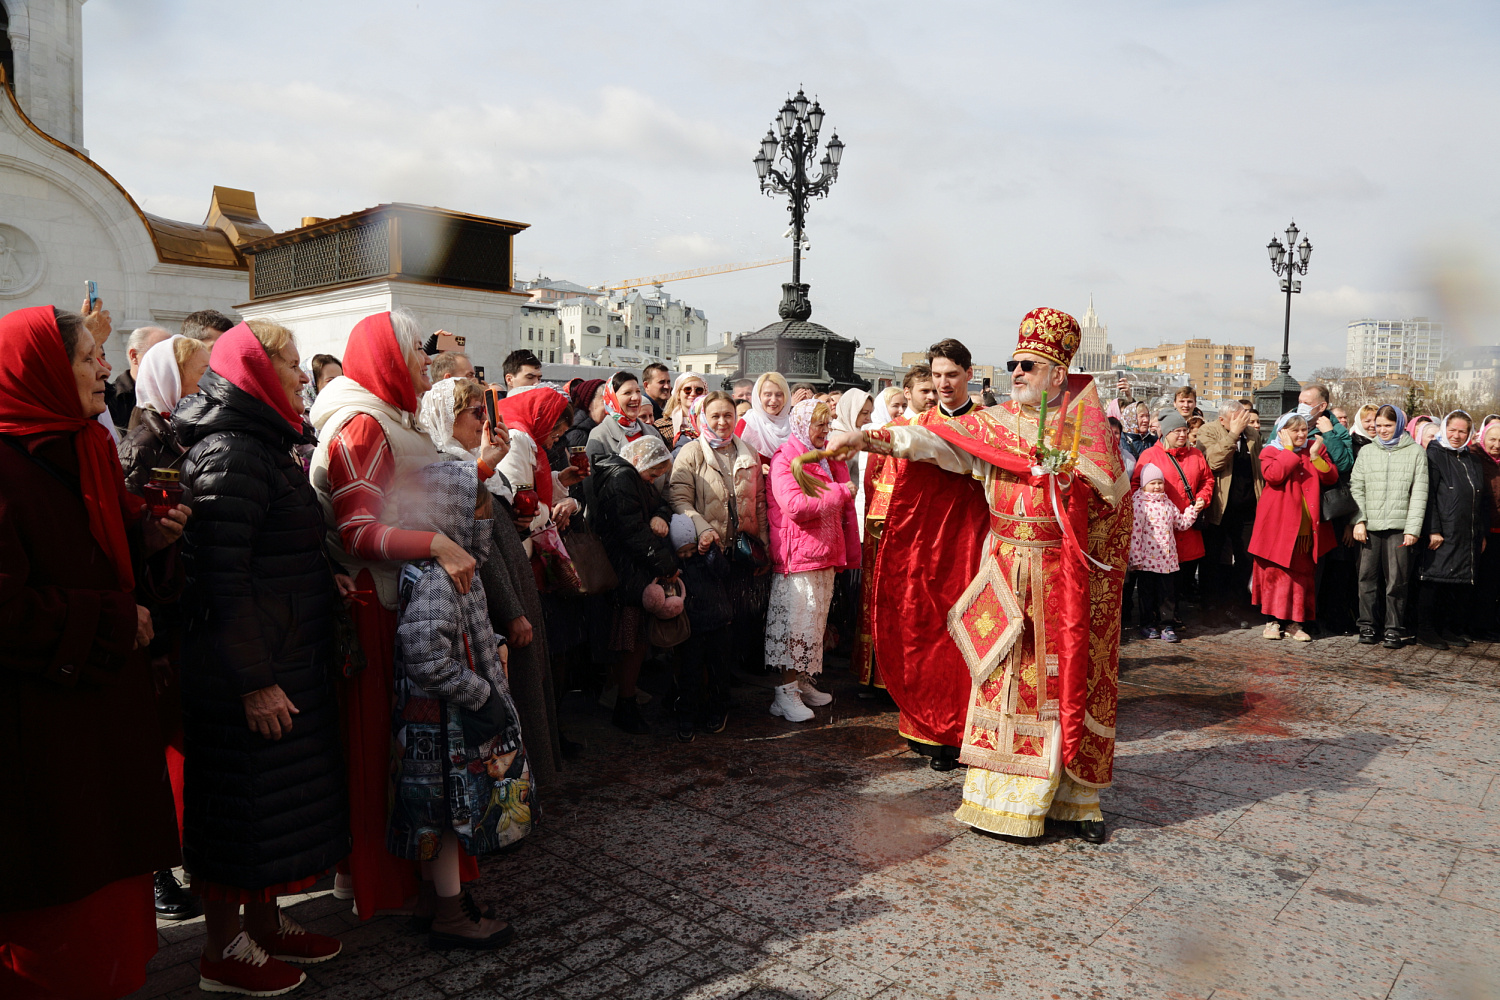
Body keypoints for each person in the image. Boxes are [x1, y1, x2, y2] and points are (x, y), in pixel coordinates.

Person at [844, 307, 1129, 842]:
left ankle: (1072, 802)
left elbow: (1112, 495)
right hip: (1000, 570)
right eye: (1013, 363)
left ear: (1057, 374)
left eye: (1028, 365)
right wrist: (878, 439)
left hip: (1059, 580)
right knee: (1000, 679)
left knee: (1058, 684)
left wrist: (1069, 478)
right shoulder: (994, 424)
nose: (1016, 372)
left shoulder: (1085, 432)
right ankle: (998, 800)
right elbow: (939, 443)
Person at [0, 305, 189, 1000]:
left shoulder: (87, 445)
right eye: (88, 358)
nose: (105, 370)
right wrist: (113, 620)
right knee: (60, 906)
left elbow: (99, 551)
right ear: (42, 371)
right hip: (41, 727)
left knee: (112, 892)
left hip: (103, 706)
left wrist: (149, 537)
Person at [175, 320, 348, 994]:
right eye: (291, 363)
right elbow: (219, 581)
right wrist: (253, 681)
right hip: (248, 670)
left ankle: (264, 924)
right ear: (255, 368)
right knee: (237, 808)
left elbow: (276, 550)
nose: (303, 376)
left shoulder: (261, 444)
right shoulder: (231, 452)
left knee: (270, 808)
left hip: (284, 655)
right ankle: (222, 950)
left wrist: (322, 578)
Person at [309, 310, 499, 921]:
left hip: (403, 599)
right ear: (388, 357)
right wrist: (437, 544)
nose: (424, 360)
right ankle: (394, 886)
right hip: (382, 603)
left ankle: (401, 882)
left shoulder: (389, 417)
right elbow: (359, 530)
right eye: (415, 348)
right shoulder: (363, 423)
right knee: (392, 752)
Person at [391, 462, 529, 950]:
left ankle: (437, 900)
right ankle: (450, 913)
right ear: (450, 515)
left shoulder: (455, 570)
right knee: (449, 818)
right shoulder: (438, 578)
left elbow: (456, 633)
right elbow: (427, 656)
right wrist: (481, 693)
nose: (482, 525)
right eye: (476, 515)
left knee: (441, 817)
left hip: (442, 718)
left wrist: (492, 643)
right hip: (443, 723)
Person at [417, 377, 563, 803]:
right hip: (489, 604)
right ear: (447, 418)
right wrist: (512, 611)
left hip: (508, 590)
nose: (485, 421)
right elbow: (480, 553)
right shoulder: (449, 466)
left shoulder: (471, 464)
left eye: (486, 411)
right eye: (475, 413)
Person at [115, 333, 210, 919]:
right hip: (159, 621)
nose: (208, 383)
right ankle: (156, 871)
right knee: (158, 748)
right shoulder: (145, 444)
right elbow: (128, 547)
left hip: (182, 610)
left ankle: (178, 858)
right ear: (171, 379)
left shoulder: (181, 433)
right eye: (199, 373)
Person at [668, 391, 769, 739]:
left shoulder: (747, 452)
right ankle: (687, 709)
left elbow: (758, 503)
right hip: (702, 557)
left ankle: (718, 704)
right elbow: (679, 498)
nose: (722, 422)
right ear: (702, 418)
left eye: (728, 415)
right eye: (715, 416)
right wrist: (702, 529)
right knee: (697, 639)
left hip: (736, 558)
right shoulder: (692, 452)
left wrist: (762, 547)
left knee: (726, 638)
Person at [764, 399, 860, 722]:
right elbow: (795, 506)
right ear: (803, 425)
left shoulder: (820, 456)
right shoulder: (785, 458)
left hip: (822, 553)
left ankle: (801, 683)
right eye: (819, 424)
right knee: (795, 626)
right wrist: (840, 493)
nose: (825, 430)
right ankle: (785, 692)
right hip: (799, 557)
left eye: (827, 424)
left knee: (812, 625)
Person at [589, 436, 678, 733]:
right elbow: (632, 532)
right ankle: (624, 703)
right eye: (653, 474)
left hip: (629, 568)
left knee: (631, 638)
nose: (653, 480)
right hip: (625, 571)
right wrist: (666, 565)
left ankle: (624, 696)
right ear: (641, 461)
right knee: (631, 639)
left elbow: (660, 504)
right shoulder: (623, 478)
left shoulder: (631, 475)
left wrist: (660, 515)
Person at [853, 373, 924, 693]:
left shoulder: (942, 427)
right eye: (925, 389)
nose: (932, 396)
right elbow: (874, 483)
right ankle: (881, 676)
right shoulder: (890, 433)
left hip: (927, 534)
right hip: (892, 531)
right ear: (908, 392)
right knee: (888, 601)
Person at [1248, 413, 1339, 641]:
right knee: (1275, 575)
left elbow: (1331, 477)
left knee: (1300, 577)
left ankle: (1295, 623)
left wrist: (1316, 456)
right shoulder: (1271, 451)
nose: (1300, 434)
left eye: (1303, 430)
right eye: (1294, 430)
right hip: (1276, 527)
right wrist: (1288, 450)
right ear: (1282, 432)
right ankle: (1272, 621)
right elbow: (1274, 475)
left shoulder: (1314, 449)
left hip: (1306, 529)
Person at [1350, 405, 1426, 649]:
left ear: (1399, 425)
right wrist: (1359, 520)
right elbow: (1356, 486)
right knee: (1366, 578)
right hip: (1370, 526)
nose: (1382, 430)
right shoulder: (1367, 451)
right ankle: (1367, 625)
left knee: (1397, 581)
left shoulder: (1415, 452)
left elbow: (1419, 493)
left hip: (1399, 527)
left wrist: (1412, 528)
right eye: (1379, 425)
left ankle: (1393, 628)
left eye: (1388, 426)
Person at [1414, 410, 1490, 649]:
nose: (1456, 435)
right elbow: (1428, 496)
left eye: (1462, 431)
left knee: (1455, 582)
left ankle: (1446, 628)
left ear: (1469, 433)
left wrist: (1480, 532)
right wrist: (1433, 529)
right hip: (1442, 531)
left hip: (1466, 531)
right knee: (1434, 580)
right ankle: (1425, 630)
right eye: (1452, 430)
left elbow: (1480, 498)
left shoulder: (1471, 459)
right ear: (1444, 429)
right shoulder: (1434, 455)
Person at [1131, 411, 1211, 626]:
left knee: (1181, 573)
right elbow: (1136, 485)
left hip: (1187, 523)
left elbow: (1207, 480)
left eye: (1185, 430)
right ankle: (1153, 616)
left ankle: (1172, 615)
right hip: (1156, 531)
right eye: (1177, 431)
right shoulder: (1150, 455)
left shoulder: (1196, 455)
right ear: (1166, 433)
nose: (1183, 435)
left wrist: (1202, 498)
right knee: (1154, 579)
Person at [1195, 399, 1262, 617]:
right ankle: (1210, 606)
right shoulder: (1208, 431)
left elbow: (1259, 469)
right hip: (1220, 507)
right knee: (1213, 559)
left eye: (1244, 417)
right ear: (1222, 419)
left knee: (1246, 558)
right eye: (1236, 418)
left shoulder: (1252, 435)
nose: (1242, 422)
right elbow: (1213, 462)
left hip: (1247, 507)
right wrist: (1233, 434)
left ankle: (1236, 605)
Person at [118, 335, 210, 494]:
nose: (212, 383)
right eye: (204, 373)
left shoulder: (210, 432)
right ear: (171, 381)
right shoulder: (137, 449)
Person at [1130, 464, 1202, 642]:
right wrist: (1135, 558)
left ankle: (1167, 625)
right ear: (1144, 484)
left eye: (1159, 483)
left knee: (1167, 595)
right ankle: (1147, 624)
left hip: (1167, 561)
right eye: (1152, 483)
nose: (1157, 487)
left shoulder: (1167, 502)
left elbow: (1181, 523)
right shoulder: (1139, 504)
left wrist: (1193, 510)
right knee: (1147, 595)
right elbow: (1135, 533)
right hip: (1146, 561)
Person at [587, 370, 666, 462]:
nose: (636, 397)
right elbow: (593, 470)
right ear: (613, 398)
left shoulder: (652, 432)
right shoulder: (600, 435)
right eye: (627, 393)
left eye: (638, 391)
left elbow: (666, 467)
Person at [106, 324, 173, 429]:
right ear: (134, 356)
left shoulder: (179, 396)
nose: (170, 362)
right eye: (160, 354)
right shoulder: (110, 399)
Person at [1470, 417, 1500, 641]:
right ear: (1483, 438)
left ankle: (1491, 623)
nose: (1496, 445)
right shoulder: (1475, 458)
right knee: (1483, 581)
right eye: (1492, 439)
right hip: (1483, 529)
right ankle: (1478, 626)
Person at [737, 371, 793, 463]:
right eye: (768, 395)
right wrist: (757, 468)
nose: (773, 400)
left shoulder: (794, 425)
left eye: (779, 395)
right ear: (759, 396)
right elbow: (736, 459)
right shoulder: (748, 424)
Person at [656, 372, 708, 451]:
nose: (693, 394)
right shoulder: (660, 426)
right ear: (678, 394)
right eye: (688, 389)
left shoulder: (712, 423)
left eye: (699, 390)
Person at [927, 338, 976, 418]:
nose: (943, 384)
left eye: (952, 375)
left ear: (969, 374)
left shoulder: (990, 421)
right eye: (937, 375)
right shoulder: (917, 423)